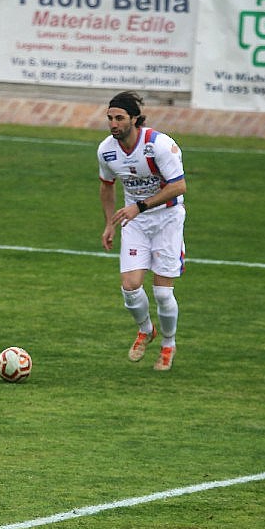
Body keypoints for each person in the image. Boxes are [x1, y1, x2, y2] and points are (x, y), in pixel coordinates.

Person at [98, 91, 186, 371]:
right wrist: (109, 223)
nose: (113, 124)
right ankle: (146, 330)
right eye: (110, 118)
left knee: (162, 294)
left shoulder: (159, 145)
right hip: (135, 222)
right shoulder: (106, 151)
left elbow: (179, 186)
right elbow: (106, 186)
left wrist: (140, 206)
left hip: (167, 220)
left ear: (134, 119)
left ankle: (168, 344)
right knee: (130, 286)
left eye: (119, 118)